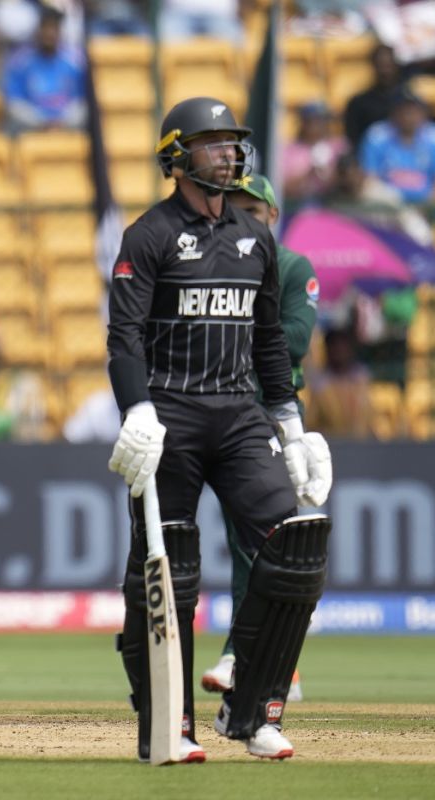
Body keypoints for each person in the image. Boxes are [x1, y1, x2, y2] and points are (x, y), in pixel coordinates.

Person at [106, 96, 334, 764]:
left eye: (233, 143)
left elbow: (268, 343)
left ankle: (254, 709)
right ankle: (166, 724)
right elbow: (123, 338)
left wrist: (289, 423)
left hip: (238, 414)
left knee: (296, 544)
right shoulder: (147, 236)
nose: (228, 155)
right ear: (177, 156)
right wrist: (137, 408)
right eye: (212, 144)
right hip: (171, 411)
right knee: (164, 570)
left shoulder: (255, 239)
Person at [200, 173, 320, 705]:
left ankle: (251, 657)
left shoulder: (293, 267)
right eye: (236, 208)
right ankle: (260, 659)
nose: (245, 218)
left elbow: (295, 339)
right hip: (216, 409)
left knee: (270, 540)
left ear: (273, 215)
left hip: (270, 415)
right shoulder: (209, 265)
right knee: (247, 541)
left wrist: (231, 318)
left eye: (256, 209)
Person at [359, 89, 435, 209]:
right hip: (386, 207)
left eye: (413, 111)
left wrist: (423, 209)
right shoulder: (377, 136)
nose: (408, 116)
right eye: (403, 110)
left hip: (425, 208)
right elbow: (369, 180)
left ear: (424, 114)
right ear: (394, 113)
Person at [1, 8, 87, 134]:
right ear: (38, 30)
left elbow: (81, 101)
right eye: (46, 28)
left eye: (54, 28)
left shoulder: (75, 61)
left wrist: (62, 123)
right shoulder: (20, 61)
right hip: (30, 128)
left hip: (67, 128)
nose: (49, 33)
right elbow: (14, 102)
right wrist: (41, 123)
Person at [281, 102, 348, 208]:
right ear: (303, 123)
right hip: (297, 208)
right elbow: (281, 187)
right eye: (312, 120)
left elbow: (349, 181)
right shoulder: (289, 150)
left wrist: (330, 178)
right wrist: (308, 175)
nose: (317, 125)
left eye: (322, 120)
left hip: (334, 207)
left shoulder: (339, 147)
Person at [344, 44, 406, 149]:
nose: (385, 71)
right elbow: (353, 141)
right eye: (381, 65)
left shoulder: (409, 103)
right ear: (373, 66)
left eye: (389, 65)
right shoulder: (358, 103)